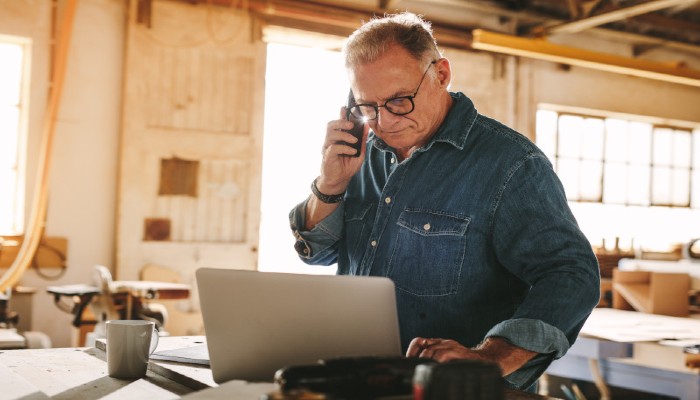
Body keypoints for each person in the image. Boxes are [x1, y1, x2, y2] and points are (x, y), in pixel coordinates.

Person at [288, 12, 600, 391]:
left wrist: (489, 358)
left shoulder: (511, 165)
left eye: (399, 100)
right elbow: (316, 252)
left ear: (441, 74)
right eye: (366, 107)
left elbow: (571, 274)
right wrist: (330, 183)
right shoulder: (360, 154)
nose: (384, 121)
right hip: (364, 381)